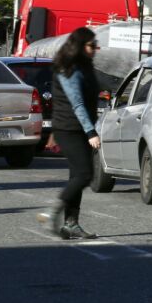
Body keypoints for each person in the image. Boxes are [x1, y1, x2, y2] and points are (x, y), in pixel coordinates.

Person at [38, 28, 102, 240]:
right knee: (85, 174)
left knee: (77, 175)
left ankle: (70, 224)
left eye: (96, 46)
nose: (95, 50)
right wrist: (91, 131)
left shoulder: (84, 67)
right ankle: (52, 213)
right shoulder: (69, 69)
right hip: (69, 128)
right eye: (92, 46)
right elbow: (77, 103)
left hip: (77, 128)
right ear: (79, 46)